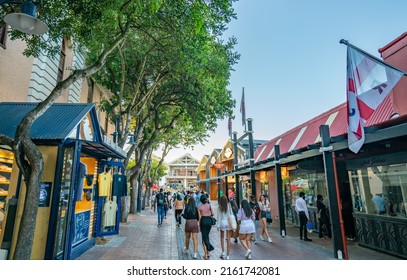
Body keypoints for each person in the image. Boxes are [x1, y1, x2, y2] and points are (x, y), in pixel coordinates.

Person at [198, 194, 214, 260]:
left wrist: (199, 225)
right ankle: (208, 251)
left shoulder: (199, 207)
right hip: (209, 221)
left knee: (204, 238)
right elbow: (213, 213)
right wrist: (209, 214)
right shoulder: (209, 206)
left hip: (203, 221)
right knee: (207, 236)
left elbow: (199, 217)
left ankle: (206, 255)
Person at [217, 195, 233, 260]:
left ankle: (223, 252)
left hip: (222, 222)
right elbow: (231, 214)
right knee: (228, 239)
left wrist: (218, 225)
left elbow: (219, 217)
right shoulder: (229, 206)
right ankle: (228, 255)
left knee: (222, 237)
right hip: (228, 222)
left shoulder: (219, 207)